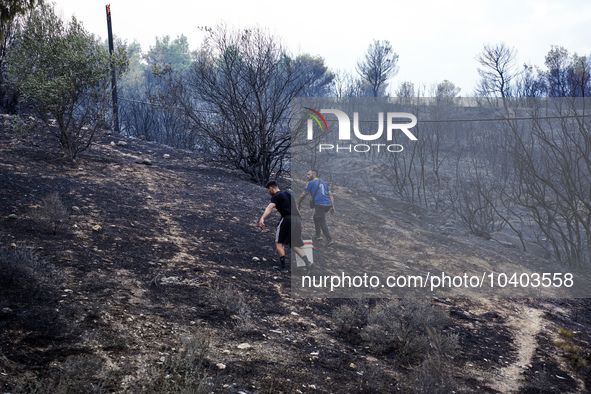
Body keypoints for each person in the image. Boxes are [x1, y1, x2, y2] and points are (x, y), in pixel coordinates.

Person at [259, 180, 313, 275]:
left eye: (268, 190)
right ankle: (308, 263)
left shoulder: (276, 196)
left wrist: (262, 218)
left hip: (287, 219)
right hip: (297, 219)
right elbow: (296, 208)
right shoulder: (288, 193)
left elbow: (270, 208)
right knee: (294, 244)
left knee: (279, 242)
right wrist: (300, 222)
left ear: (271, 188)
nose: (269, 192)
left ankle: (283, 267)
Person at [297, 170, 335, 247]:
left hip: (320, 204)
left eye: (308, 174)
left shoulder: (311, 183)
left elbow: (303, 194)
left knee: (321, 221)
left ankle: (329, 239)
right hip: (327, 204)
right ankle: (317, 235)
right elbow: (330, 194)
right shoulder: (324, 182)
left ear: (314, 175)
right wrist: (332, 206)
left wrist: (298, 203)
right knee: (316, 217)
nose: (307, 176)